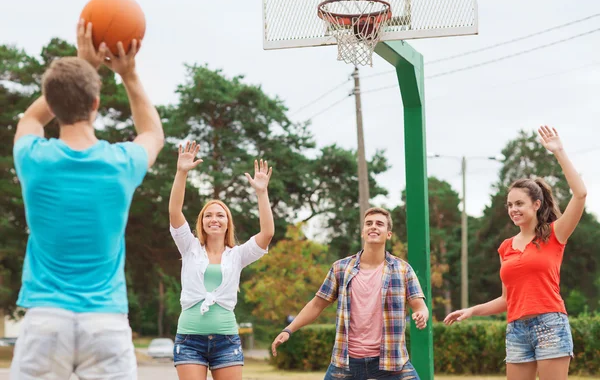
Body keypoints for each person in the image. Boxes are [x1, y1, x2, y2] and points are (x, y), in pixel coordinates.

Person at [10, 19, 164, 379]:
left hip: (45, 320)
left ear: (52, 102)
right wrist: (128, 74)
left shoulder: (33, 158)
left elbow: (31, 118)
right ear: (96, 103)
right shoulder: (120, 164)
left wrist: (84, 64)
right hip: (105, 323)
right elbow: (152, 132)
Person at [443, 126, 586, 380]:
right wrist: (472, 311)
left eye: (519, 203)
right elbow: (507, 300)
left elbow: (580, 194)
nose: (513, 209)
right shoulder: (506, 247)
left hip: (550, 324)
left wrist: (558, 151)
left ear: (536, 204)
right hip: (517, 328)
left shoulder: (555, 234)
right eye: (510, 205)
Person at [271, 207, 429, 380]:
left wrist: (421, 315)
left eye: (379, 224)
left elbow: (420, 306)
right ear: (363, 232)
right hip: (346, 362)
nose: (373, 227)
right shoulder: (341, 268)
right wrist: (288, 330)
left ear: (388, 234)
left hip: (391, 362)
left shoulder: (403, 269)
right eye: (369, 223)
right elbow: (316, 305)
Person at [168, 141, 274, 380]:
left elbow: (267, 233)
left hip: (226, 341)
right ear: (201, 221)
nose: (214, 219)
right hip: (189, 340)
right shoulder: (189, 247)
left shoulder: (237, 255)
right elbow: (175, 212)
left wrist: (261, 192)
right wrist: (181, 172)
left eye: (220, 215)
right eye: (208, 215)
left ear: (228, 222)